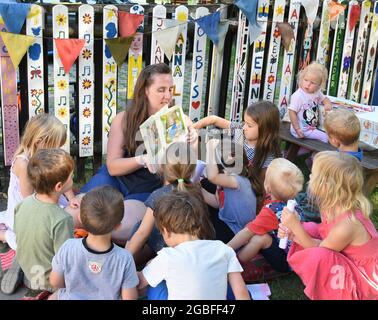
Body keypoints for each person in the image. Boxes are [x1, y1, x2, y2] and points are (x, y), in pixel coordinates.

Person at [80, 63, 197, 244]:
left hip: (148, 187)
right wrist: (142, 159)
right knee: (79, 213)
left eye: (170, 89)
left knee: (119, 228)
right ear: (145, 91)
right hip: (116, 179)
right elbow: (112, 167)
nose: (167, 96)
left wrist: (192, 143)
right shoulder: (124, 119)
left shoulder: (180, 121)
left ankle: (101, 251)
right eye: (161, 90)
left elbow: (189, 171)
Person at [278, 151, 378, 300]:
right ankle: (322, 285)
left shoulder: (347, 224)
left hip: (363, 279)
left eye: (313, 174)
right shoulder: (332, 207)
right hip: (346, 258)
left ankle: (333, 293)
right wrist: (295, 231)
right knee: (309, 228)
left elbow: (318, 250)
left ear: (327, 186)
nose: (309, 177)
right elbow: (322, 240)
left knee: (319, 256)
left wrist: (295, 226)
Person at [137, 191, 250, 300]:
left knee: (155, 284)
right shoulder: (223, 249)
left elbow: (139, 282)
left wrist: (148, 266)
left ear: (166, 231)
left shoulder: (167, 256)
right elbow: (241, 293)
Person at [0, 113, 79, 251]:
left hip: (47, 198)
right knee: (32, 244)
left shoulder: (48, 156)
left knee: (75, 211)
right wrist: (52, 212)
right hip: (29, 208)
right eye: (54, 146)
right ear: (39, 142)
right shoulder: (23, 164)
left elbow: (63, 177)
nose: (56, 150)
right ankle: (5, 235)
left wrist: (72, 199)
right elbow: (29, 201)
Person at [125, 142, 214, 263]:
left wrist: (124, 260)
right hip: (197, 248)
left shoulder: (158, 196)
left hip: (169, 251)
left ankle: (128, 261)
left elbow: (142, 234)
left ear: (163, 167)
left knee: (140, 227)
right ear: (192, 168)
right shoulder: (197, 191)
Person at [49, 186, 138, 300]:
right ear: (118, 226)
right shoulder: (124, 258)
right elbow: (129, 298)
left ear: (80, 218)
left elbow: (55, 281)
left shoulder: (68, 247)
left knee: (55, 296)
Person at [193, 101, 281, 211]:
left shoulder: (268, 154)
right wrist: (193, 128)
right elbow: (214, 119)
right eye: (244, 123)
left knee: (201, 192)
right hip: (224, 180)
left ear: (266, 129)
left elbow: (262, 188)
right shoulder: (241, 131)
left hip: (240, 192)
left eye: (249, 125)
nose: (244, 127)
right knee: (201, 186)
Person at [14, 149, 75, 297]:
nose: (73, 179)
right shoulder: (62, 219)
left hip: (28, 266)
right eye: (71, 176)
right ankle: (52, 294)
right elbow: (65, 261)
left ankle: (24, 274)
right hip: (50, 281)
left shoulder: (23, 204)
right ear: (59, 186)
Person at [228, 158, 304, 273]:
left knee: (259, 238)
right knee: (256, 233)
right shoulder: (291, 202)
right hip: (295, 251)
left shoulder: (271, 211)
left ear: (267, 187)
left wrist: (224, 249)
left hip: (287, 261)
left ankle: (234, 266)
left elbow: (247, 232)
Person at [205, 138, 256, 237]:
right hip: (227, 220)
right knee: (204, 184)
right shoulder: (228, 179)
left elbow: (212, 176)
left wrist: (210, 150)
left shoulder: (237, 181)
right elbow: (218, 203)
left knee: (202, 228)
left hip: (235, 231)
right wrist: (198, 189)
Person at [288, 61, 332, 143]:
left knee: (328, 132)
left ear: (319, 85)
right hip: (302, 130)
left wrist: (327, 104)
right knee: (326, 137)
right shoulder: (298, 96)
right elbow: (292, 112)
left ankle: (304, 152)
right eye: (306, 80)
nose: (307, 85)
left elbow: (324, 99)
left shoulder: (316, 92)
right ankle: (318, 155)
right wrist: (297, 128)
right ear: (302, 78)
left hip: (312, 127)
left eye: (313, 83)